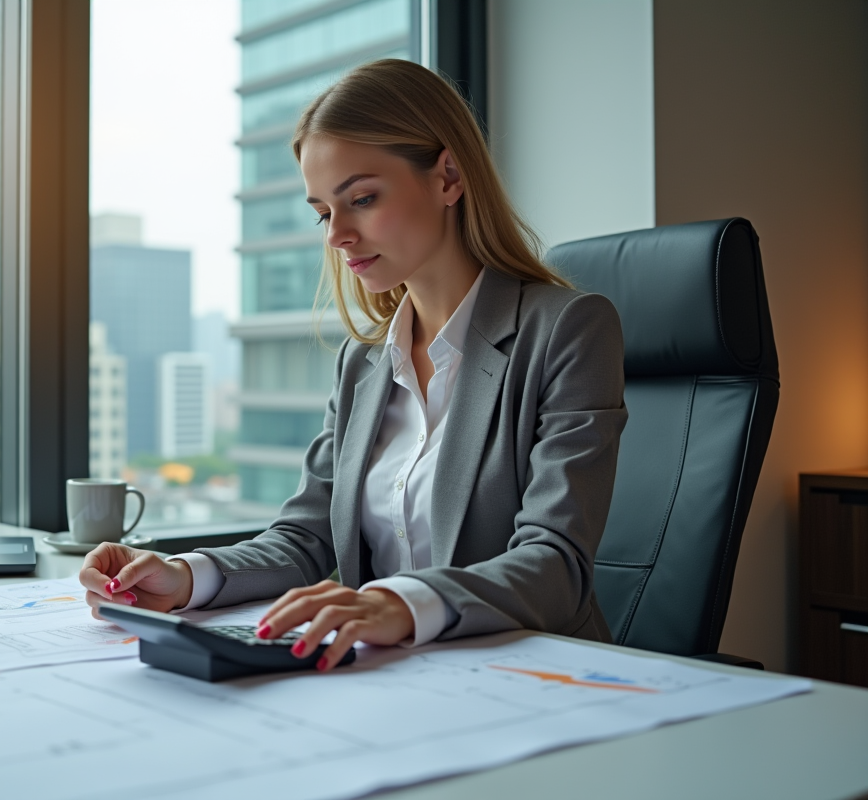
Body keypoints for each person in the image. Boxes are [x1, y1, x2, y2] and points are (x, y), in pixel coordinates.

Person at [80, 58, 627, 671]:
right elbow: (305, 538)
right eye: (323, 212)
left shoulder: (566, 330)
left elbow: (556, 562)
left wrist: (400, 603)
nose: (337, 235)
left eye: (361, 198)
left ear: (448, 176)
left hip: (533, 676)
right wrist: (185, 577)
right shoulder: (364, 361)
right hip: (391, 676)